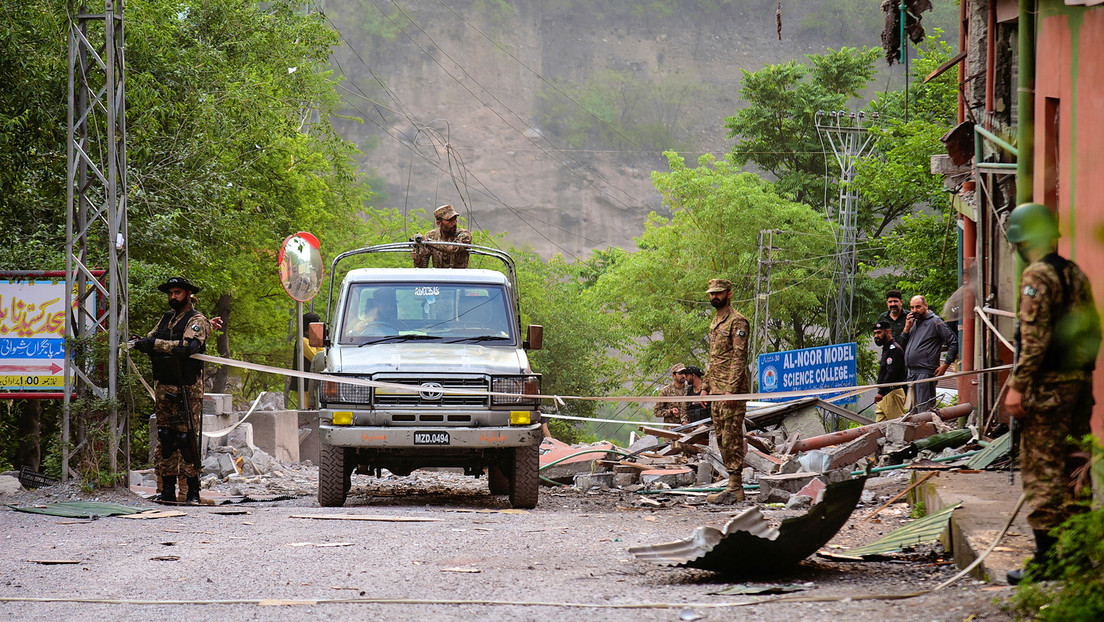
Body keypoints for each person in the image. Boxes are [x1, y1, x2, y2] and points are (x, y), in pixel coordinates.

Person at [1002, 203, 1100, 585]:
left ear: (1023, 240)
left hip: (1048, 388)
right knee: (1076, 466)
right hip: (1079, 384)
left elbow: (1035, 339)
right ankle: (1077, 554)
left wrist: (1018, 385)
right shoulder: (1075, 273)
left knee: (1042, 468)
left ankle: (1047, 559)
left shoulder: (1037, 275)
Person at [133, 276, 211, 504]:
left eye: (177, 292)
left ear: (188, 294)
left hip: (186, 387)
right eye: (170, 293)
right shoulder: (166, 319)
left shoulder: (197, 320)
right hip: (163, 385)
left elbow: (188, 348)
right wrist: (141, 343)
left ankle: (192, 491)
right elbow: (150, 339)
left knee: (186, 438)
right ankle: (167, 490)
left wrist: (156, 345)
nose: (173, 297)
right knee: (165, 436)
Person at [702, 278, 750, 504]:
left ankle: (736, 485)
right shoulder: (715, 322)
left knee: (732, 436)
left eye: (718, 293)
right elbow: (714, 359)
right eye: (712, 294)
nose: (714, 297)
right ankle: (732, 483)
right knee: (721, 437)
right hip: (715, 390)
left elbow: (739, 358)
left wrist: (731, 390)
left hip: (731, 391)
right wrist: (705, 387)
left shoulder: (737, 321)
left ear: (729, 294)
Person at [901, 294, 958, 412]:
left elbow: (953, 342)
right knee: (911, 413)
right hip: (911, 373)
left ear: (925, 306)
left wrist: (945, 365)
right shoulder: (912, 323)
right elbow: (901, 345)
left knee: (924, 412)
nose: (914, 311)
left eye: (918, 307)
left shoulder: (935, 321)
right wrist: (906, 329)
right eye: (912, 308)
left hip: (925, 373)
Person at [412, 204, 473, 268]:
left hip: (459, 274)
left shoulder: (464, 235)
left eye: (455, 219)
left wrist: (430, 242)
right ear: (439, 223)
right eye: (449, 220)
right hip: (438, 274)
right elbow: (423, 266)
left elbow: (452, 248)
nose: (454, 223)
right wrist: (418, 259)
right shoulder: (431, 235)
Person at [873, 320, 907, 422]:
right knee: (879, 427)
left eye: (879, 332)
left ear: (887, 332)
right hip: (884, 395)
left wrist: (881, 392)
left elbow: (891, 373)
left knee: (898, 426)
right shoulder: (886, 349)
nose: (876, 336)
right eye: (875, 333)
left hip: (892, 393)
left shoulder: (895, 349)